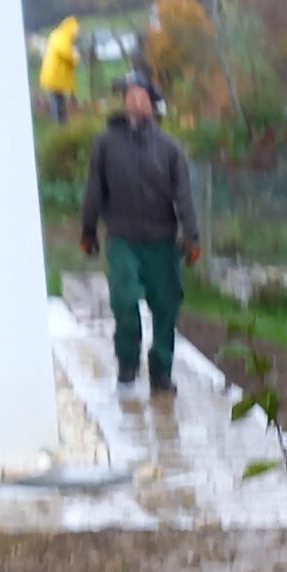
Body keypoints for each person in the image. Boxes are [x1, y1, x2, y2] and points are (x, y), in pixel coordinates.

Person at [79, 73, 200, 394]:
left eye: (141, 96)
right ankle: (128, 364)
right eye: (130, 96)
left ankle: (161, 372)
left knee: (166, 306)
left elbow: (184, 195)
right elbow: (94, 190)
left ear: (152, 104)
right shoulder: (105, 145)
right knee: (124, 301)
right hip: (122, 239)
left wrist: (192, 236)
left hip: (162, 241)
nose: (135, 101)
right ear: (124, 103)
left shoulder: (169, 148)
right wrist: (88, 230)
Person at [38, 16, 80, 125]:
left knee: (58, 101)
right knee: (57, 102)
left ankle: (60, 123)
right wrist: (75, 57)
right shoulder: (62, 37)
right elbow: (65, 52)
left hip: (55, 77)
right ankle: (59, 125)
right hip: (55, 77)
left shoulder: (58, 36)